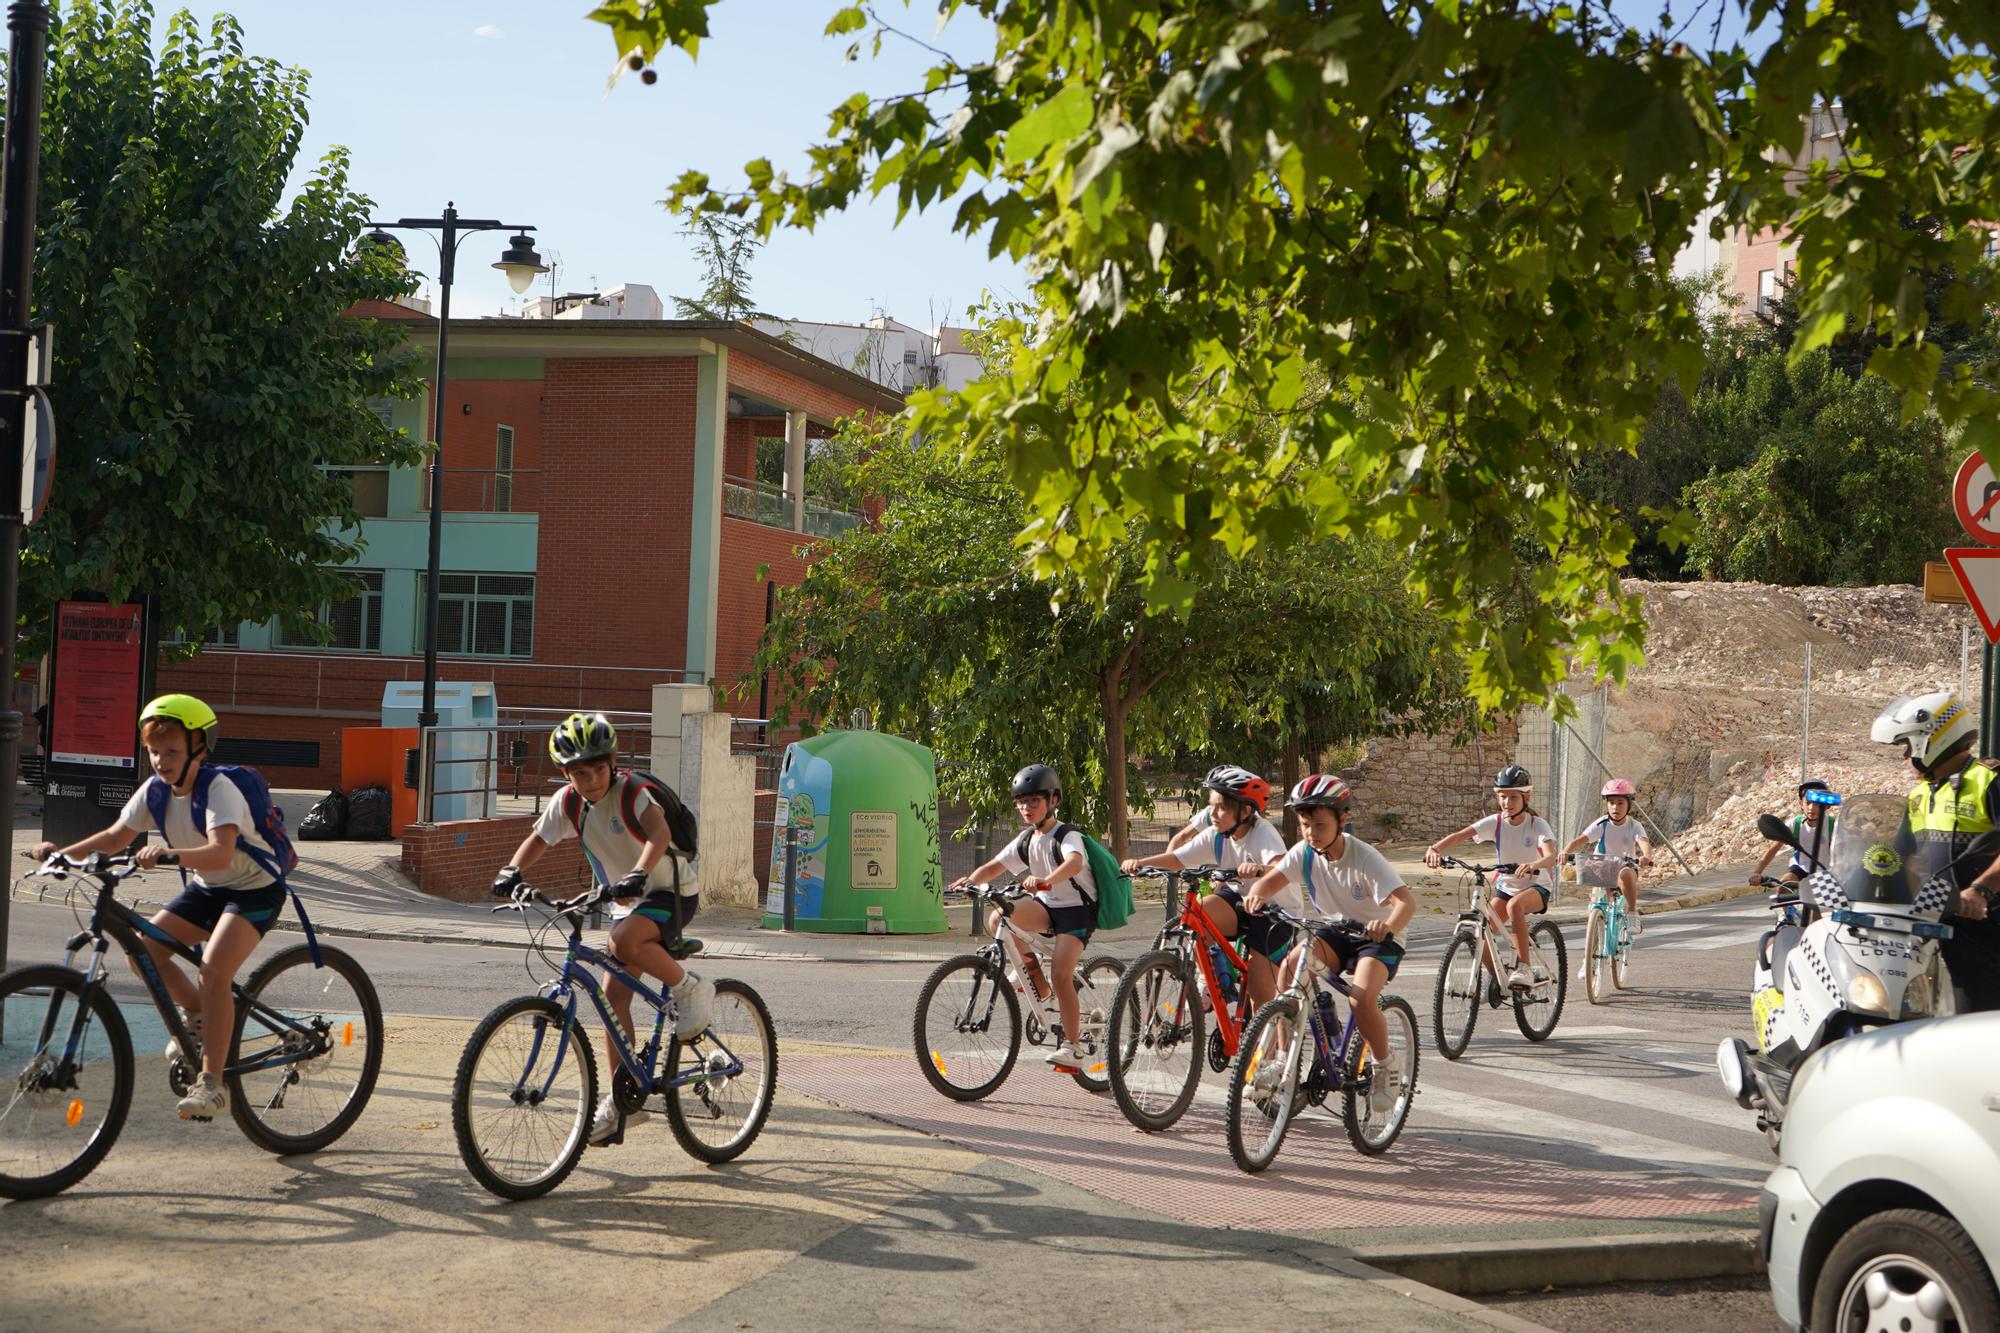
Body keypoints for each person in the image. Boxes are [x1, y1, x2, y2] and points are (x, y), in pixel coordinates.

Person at [29, 695, 283, 1120]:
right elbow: (114, 838)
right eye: (153, 751)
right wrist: (61, 856)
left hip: (255, 889)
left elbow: (221, 853)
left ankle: (213, 1083)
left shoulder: (220, 788)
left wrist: (169, 854)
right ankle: (201, 1015)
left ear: (198, 750)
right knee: (145, 951)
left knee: (214, 971)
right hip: (209, 887)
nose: (161, 761)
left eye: (171, 752)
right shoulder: (156, 791)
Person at [495, 712, 713, 1146]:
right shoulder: (568, 802)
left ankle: (691, 989)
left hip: (669, 893)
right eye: (580, 772)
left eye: (598, 768)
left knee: (622, 940)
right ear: (566, 774)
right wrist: (511, 870)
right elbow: (539, 839)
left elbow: (658, 833)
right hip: (627, 902)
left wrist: (637, 872)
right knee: (612, 1002)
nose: (591, 779)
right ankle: (623, 1099)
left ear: (612, 762)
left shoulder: (632, 793)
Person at [1241, 774, 1415, 1115]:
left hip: (1376, 937)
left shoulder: (1364, 857)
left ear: (1342, 819)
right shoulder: (1304, 853)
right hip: (1334, 930)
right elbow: (1269, 881)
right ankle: (1282, 1058)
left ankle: (1385, 1064)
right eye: (1305, 824)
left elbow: (1406, 903)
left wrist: (1387, 926)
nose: (1310, 832)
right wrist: (1257, 895)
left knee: (1361, 998)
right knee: (1291, 969)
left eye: (1319, 824)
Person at [950, 764, 1099, 1071]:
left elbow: (1074, 863)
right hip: (1046, 906)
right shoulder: (1027, 840)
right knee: (999, 918)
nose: (1026, 808)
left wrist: (1047, 879)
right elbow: (993, 867)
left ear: (1053, 800)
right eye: (1020, 802)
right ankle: (1037, 983)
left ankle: (1073, 1048)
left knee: (1062, 973)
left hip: (1077, 912)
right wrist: (971, 881)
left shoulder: (1066, 835)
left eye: (1034, 801)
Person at [1122, 764, 1289, 1012]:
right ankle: (1215, 981)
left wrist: (1259, 869)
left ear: (1245, 810)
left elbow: (1280, 867)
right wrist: (1139, 864)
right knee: (1198, 914)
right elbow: (1178, 858)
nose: (1213, 813)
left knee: (1259, 995)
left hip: (1273, 909)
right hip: (1240, 899)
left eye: (1222, 807)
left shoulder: (1263, 833)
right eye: (1212, 805)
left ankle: (1268, 1049)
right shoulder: (1217, 834)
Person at [1871, 692, 2000, 1012]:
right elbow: (1898, 859)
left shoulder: (1987, 782)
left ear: (1932, 740)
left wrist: (1980, 891)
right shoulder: (1918, 796)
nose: (1904, 756)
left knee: (1974, 1023)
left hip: (1983, 933)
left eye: (1906, 746)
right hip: (1925, 930)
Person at [1424, 765, 1558, 992]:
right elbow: (1460, 835)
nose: (1507, 802)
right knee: (1479, 930)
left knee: (1516, 906)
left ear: (1526, 798)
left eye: (1513, 797)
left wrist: (1533, 865)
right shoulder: (1495, 822)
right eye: (1502, 797)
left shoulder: (1537, 825)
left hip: (1536, 886)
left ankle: (1524, 967)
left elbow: (1551, 857)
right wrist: (1435, 849)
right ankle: (1498, 977)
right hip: (1506, 887)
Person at [1560, 778, 1654, 937]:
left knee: (1625, 875)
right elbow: (1581, 839)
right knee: (1596, 911)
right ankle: (1589, 957)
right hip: (1602, 868)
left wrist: (1646, 856)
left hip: (1625, 867)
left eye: (1620, 803)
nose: (1615, 807)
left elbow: (1643, 842)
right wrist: (1565, 851)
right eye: (1611, 802)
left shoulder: (1634, 825)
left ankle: (1632, 913)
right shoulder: (1602, 824)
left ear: (1629, 805)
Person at [1750, 779, 1839, 888]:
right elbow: (1773, 849)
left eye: (1817, 804)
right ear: (1801, 804)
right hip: (1800, 868)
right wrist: (1757, 872)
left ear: (1826, 805)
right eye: (1808, 803)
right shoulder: (1795, 824)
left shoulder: (1834, 824)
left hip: (1827, 871)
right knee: (1784, 886)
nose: (1812, 808)